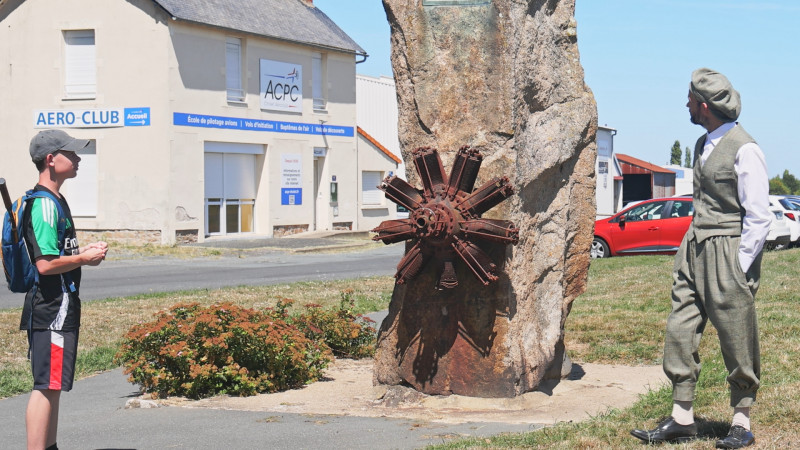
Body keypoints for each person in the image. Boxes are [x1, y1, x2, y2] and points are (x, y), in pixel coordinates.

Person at [631, 68, 771, 449]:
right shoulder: (701, 143)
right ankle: (682, 418)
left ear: (704, 106)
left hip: (727, 249)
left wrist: (737, 268)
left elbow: (759, 217)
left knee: (736, 335)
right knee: (680, 327)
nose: (686, 104)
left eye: (690, 99)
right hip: (694, 246)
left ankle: (741, 421)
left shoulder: (746, 148)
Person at [19, 129, 108, 450]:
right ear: (50, 160)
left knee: (53, 384)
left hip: (60, 305)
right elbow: (44, 264)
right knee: (46, 385)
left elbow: (58, 254)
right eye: (70, 153)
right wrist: (84, 257)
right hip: (52, 307)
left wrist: (83, 255)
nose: (78, 158)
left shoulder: (56, 199)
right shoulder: (44, 205)